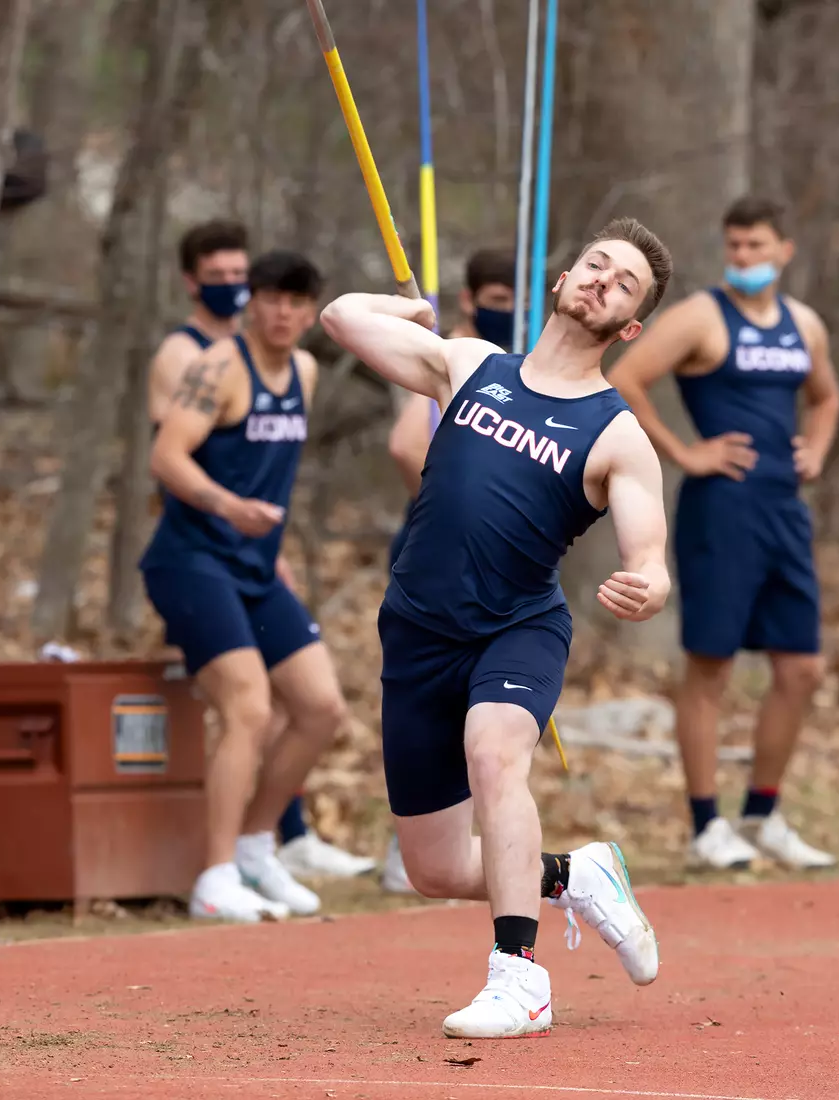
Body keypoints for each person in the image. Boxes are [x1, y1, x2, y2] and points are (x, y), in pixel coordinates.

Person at [320, 217, 674, 1039]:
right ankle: (576, 874)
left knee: (494, 752)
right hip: (416, 633)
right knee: (436, 869)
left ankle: (520, 978)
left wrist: (649, 587)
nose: (603, 280)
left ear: (629, 326)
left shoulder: (617, 435)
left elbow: (651, 557)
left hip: (517, 628)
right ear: (562, 279)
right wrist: (415, 315)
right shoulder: (471, 366)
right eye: (596, 264)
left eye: (624, 284)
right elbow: (339, 317)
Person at [609, 196, 839, 872]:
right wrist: (686, 453)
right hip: (722, 510)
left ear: (784, 250)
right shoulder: (701, 317)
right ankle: (705, 824)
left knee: (801, 668)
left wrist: (817, 447)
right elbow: (625, 378)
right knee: (711, 665)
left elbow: (827, 396)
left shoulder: (804, 324)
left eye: (756, 245)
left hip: (784, 510)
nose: (743, 257)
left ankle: (762, 814)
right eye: (734, 245)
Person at [148, 221, 375, 883]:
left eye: (297, 303)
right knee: (248, 708)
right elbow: (166, 456)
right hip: (192, 560)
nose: (282, 313)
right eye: (272, 298)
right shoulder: (217, 367)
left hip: (254, 566)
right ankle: (216, 875)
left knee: (321, 708)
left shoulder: (305, 369)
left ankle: (256, 845)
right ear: (254, 301)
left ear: (311, 313)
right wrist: (229, 509)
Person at [379, 247, 517, 895]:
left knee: (488, 716)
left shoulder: (523, 366)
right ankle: (410, 842)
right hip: (436, 557)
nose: (505, 309)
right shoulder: (455, 355)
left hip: (497, 566)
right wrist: (455, 504)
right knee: (435, 708)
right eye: (495, 297)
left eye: (514, 298)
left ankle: (472, 843)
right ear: (470, 299)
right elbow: (407, 444)